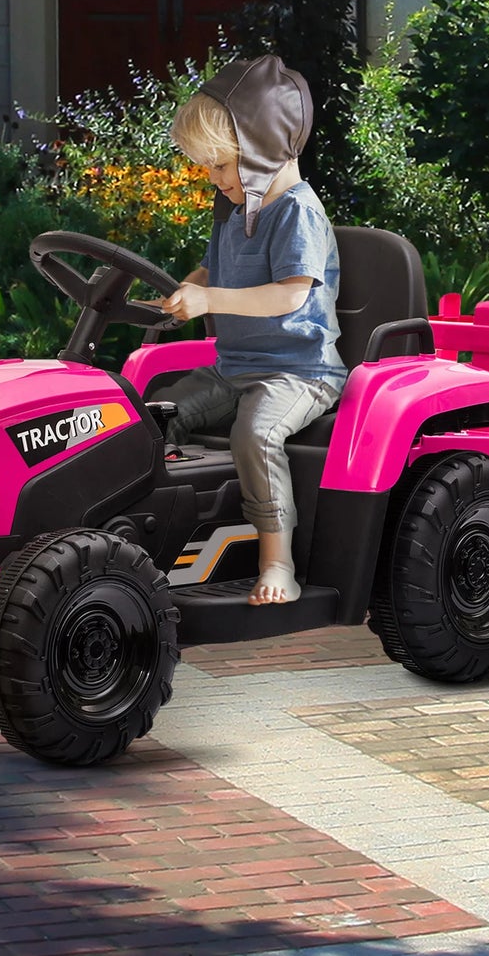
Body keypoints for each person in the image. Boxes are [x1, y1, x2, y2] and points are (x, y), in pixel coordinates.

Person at [154, 55, 346, 606]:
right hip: (234, 367)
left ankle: (278, 563)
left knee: (255, 435)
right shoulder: (236, 211)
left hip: (298, 372)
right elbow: (214, 273)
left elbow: (289, 294)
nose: (212, 178)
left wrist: (210, 298)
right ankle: (166, 543)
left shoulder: (297, 213)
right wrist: (178, 291)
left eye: (219, 165)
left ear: (262, 151)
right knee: (159, 414)